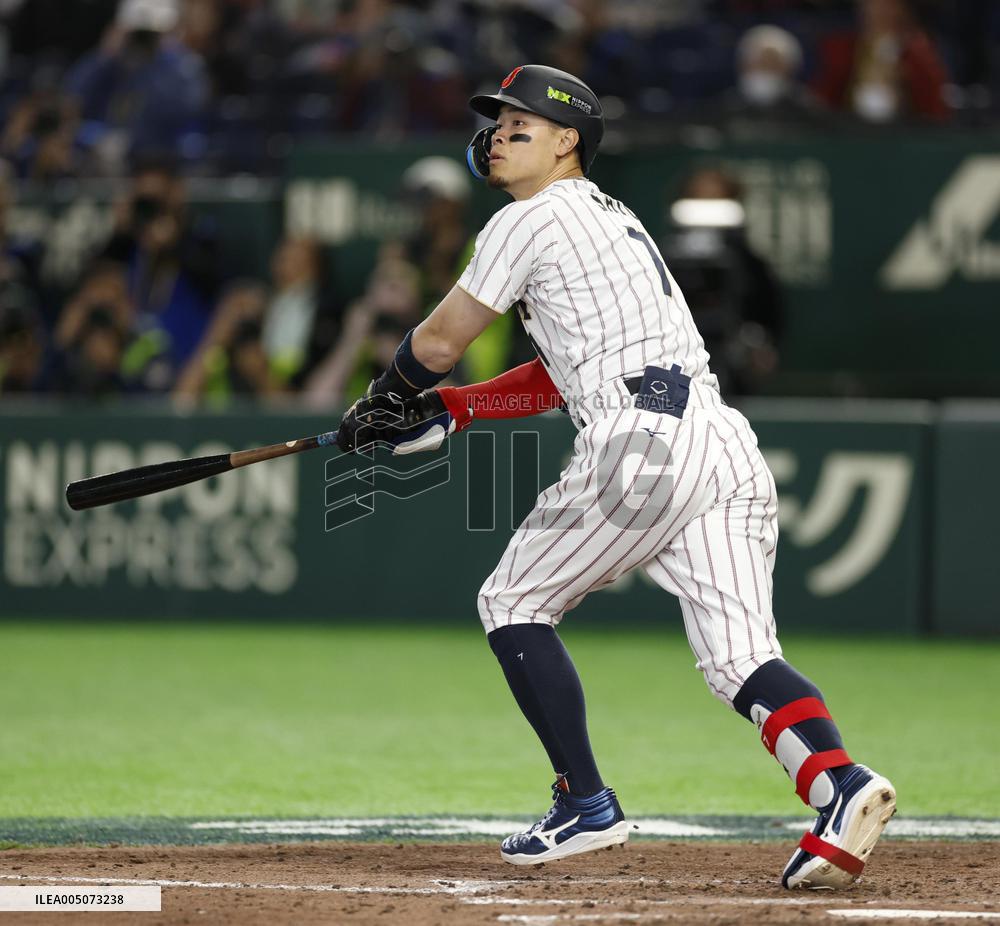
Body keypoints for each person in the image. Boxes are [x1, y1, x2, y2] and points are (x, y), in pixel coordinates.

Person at [335, 64, 896, 889]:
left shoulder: (532, 217)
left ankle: (584, 802)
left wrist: (385, 398)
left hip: (642, 444)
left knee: (512, 601)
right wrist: (449, 410)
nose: (498, 134)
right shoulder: (608, 221)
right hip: (720, 442)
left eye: (519, 124)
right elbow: (561, 372)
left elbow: (441, 338)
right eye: (495, 124)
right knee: (741, 658)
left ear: (569, 141)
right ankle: (841, 786)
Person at [812, 0, 950, 123]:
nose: (879, 11)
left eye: (888, 5)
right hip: (850, 134)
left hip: (904, 136)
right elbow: (823, 104)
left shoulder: (917, 55)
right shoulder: (843, 50)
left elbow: (935, 111)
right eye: (873, 4)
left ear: (902, 9)